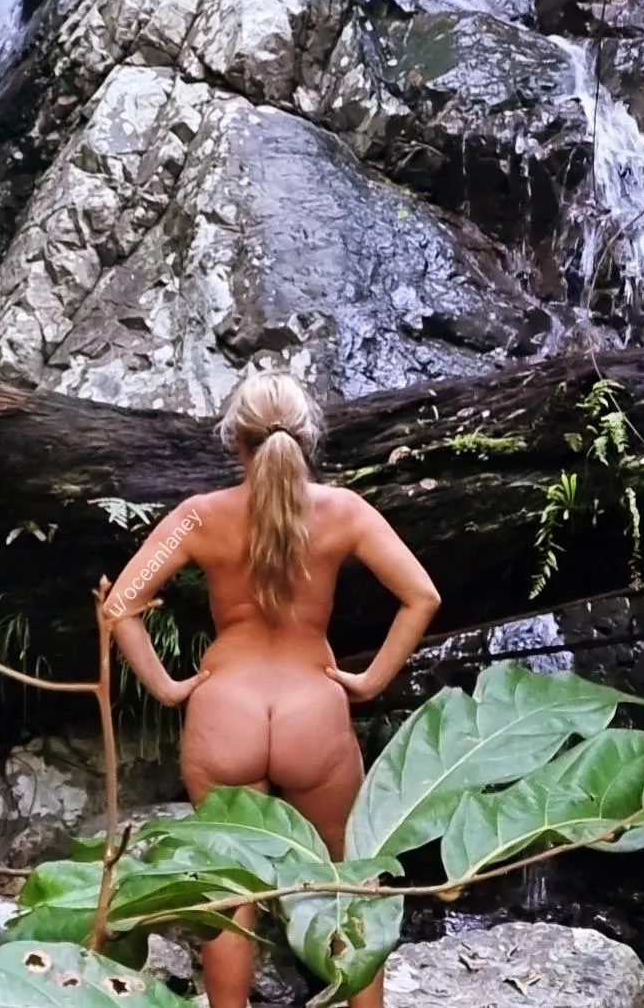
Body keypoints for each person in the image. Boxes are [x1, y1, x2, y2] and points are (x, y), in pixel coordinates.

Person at [104, 370, 441, 1008]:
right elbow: (421, 596)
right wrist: (370, 680)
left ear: (235, 440)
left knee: (228, 891)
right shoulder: (345, 511)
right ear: (307, 439)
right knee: (346, 880)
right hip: (311, 711)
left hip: (224, 709)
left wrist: (169, 688)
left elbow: (121, 604)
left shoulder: (196, 517)